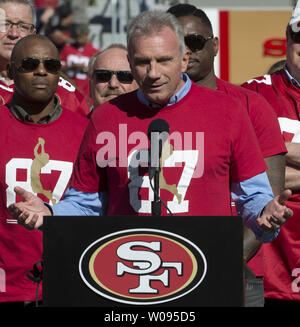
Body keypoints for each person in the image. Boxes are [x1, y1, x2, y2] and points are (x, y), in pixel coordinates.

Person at [9, 11, 293, 303]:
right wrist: (51, 214)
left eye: (164, 60)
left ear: (183, 59)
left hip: (206, 278)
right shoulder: (105, 118)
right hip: (125, 282)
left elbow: (252, 196)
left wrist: (263, 214)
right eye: (143, 62)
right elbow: (86, 203)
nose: (153, 72)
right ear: (131, 63)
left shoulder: (229, 112)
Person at [167, 3, 288, 307]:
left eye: (194, 42)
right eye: (176, 43)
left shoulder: (251, 107)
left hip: (236, 268)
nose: (186, 52)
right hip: (158, 267)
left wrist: (222, 259)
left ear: (215, 45)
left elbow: (267, 197)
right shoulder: (147, 112)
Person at [0, 34, 88, 306]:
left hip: (70, 285)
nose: (41, 70)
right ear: (11, 71)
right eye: (29, 63)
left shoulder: (87, 130)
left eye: (51, 65)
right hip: (5, 290)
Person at [241, 1, 300, 306]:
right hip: (268, 262)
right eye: (299, 35)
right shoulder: (253, 94)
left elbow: (270, 169)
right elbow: (247, 172)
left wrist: (275, 148)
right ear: (287, 39)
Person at [0, 0, 90, 116]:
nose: (13, 33)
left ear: (33, 33)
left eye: (23, 26)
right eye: (4, 25)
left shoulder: (65, 95)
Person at [87, 44, 138, 110]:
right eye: (103, 75)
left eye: (124, 76)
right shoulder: (75, 120)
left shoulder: (154, 120)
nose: (113, 84)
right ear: (90, 86)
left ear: (139, 85)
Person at [60, 23, 98, 96]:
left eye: (80, 36)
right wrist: (72, 67)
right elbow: (58, 68)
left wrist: (86, 69)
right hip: (69, 88)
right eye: (76, 36)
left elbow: (97, 74)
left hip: (86, 90)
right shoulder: (67, 48)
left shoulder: (94, 51)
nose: (78, 38)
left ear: (87, 35)